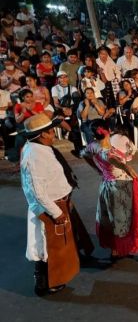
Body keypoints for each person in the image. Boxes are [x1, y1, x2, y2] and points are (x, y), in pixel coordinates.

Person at [82, 119, 138, 262]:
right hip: (121, 187)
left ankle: (116, 251)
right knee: (132, 220)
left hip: (107, 186)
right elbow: (112, 159)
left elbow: (84, 154)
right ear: (108, 131)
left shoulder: (92, 146)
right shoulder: (108, 152)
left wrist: (97, 169)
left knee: (114, 220)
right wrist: (126, 167)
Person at [20, 113, 80, 296]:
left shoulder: (42, 148)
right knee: (47, 247)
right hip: (49, 207)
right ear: (43, 134)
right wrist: (55, 212)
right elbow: (38, 191)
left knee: (56, 246)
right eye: (51, 130)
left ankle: (53, 280)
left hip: (58, 203)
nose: (54, 133)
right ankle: (45, 283)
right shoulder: (33, 156)